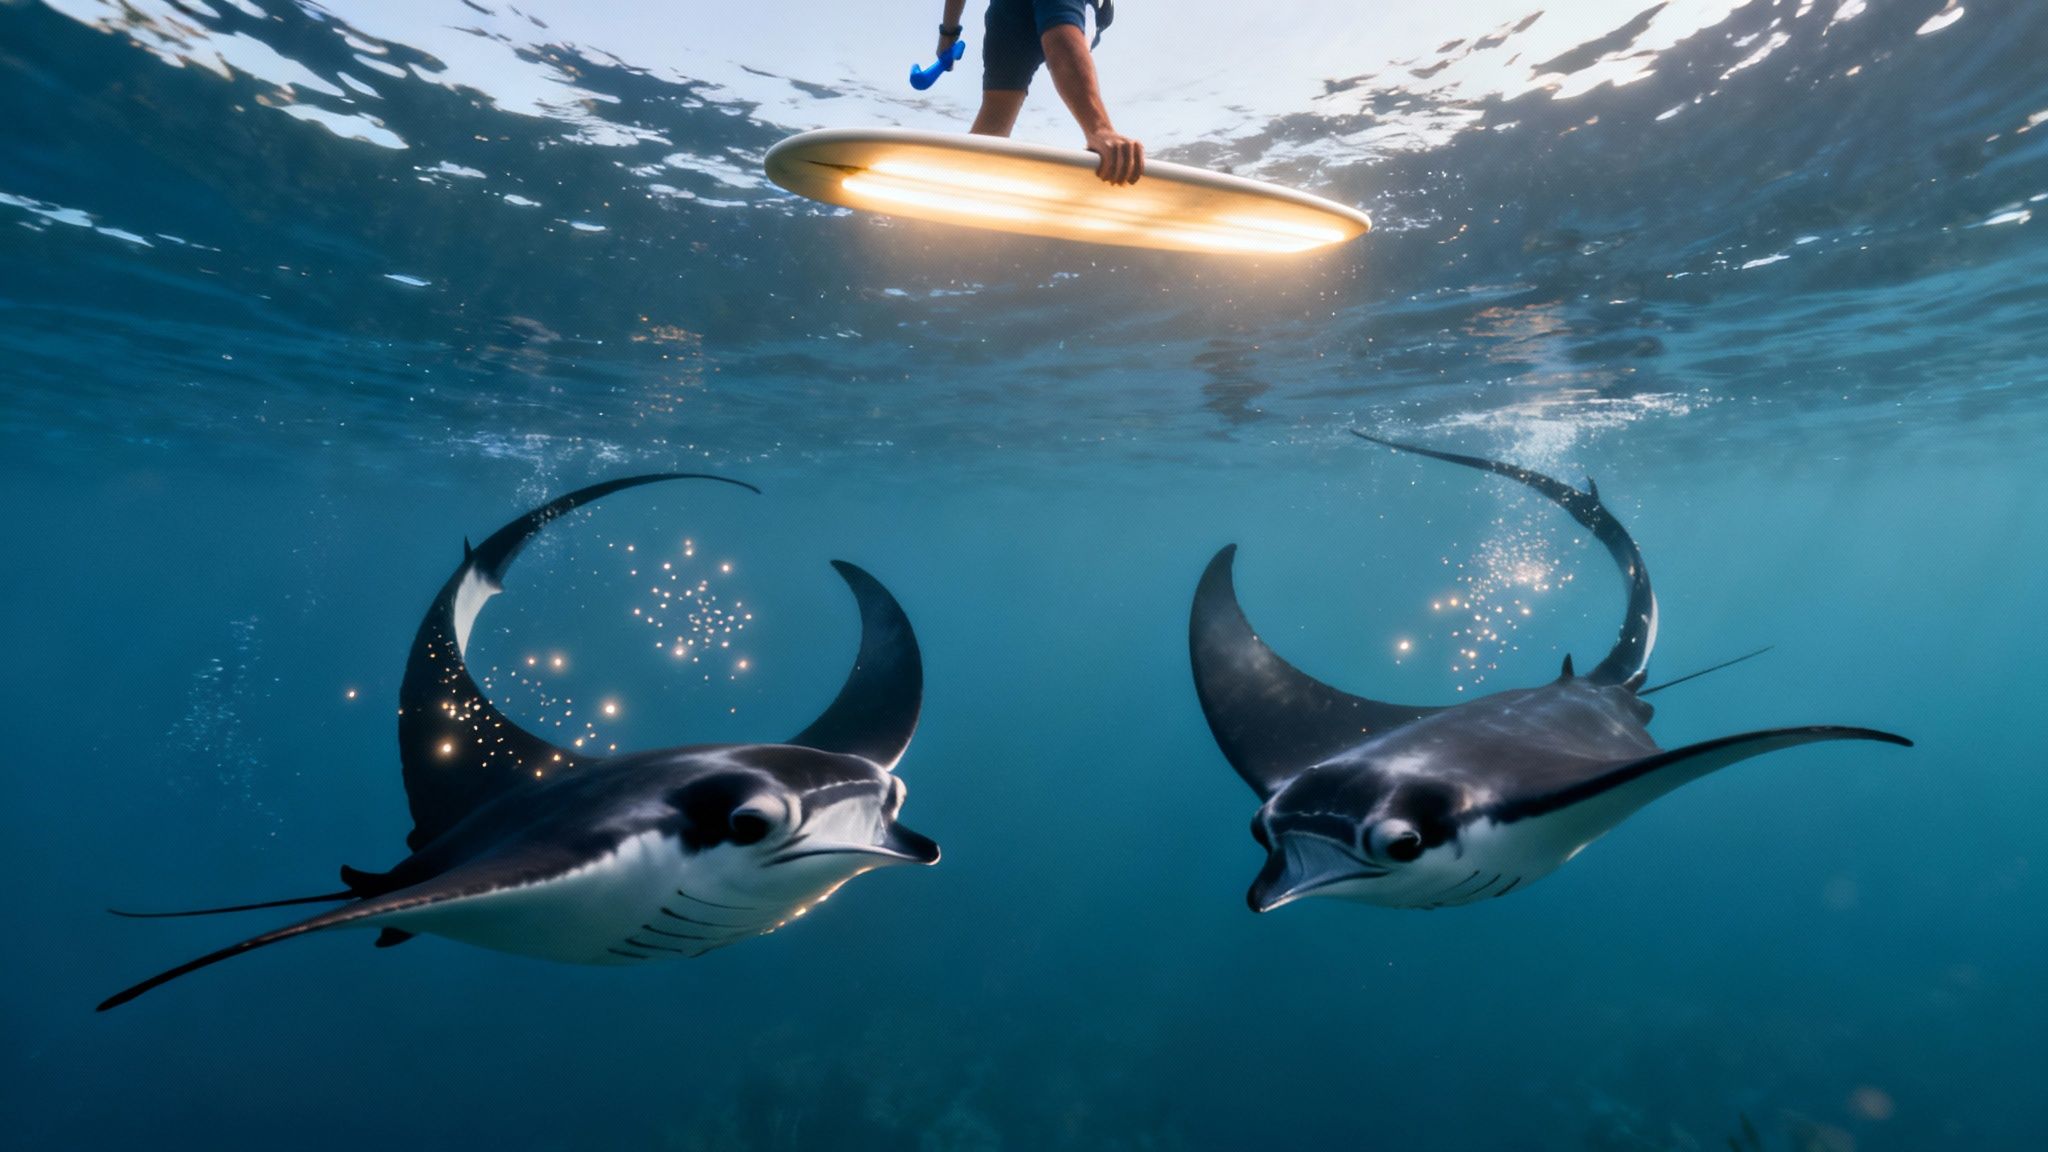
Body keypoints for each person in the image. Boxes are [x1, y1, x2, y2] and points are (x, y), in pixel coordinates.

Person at [933, 0, 1145, 185]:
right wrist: (1099, 129)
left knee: (993, 123)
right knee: (996, 115)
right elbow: (1060, 39)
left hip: (1006, 12)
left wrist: (949, 31)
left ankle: (953, 199)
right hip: (1017, 13)